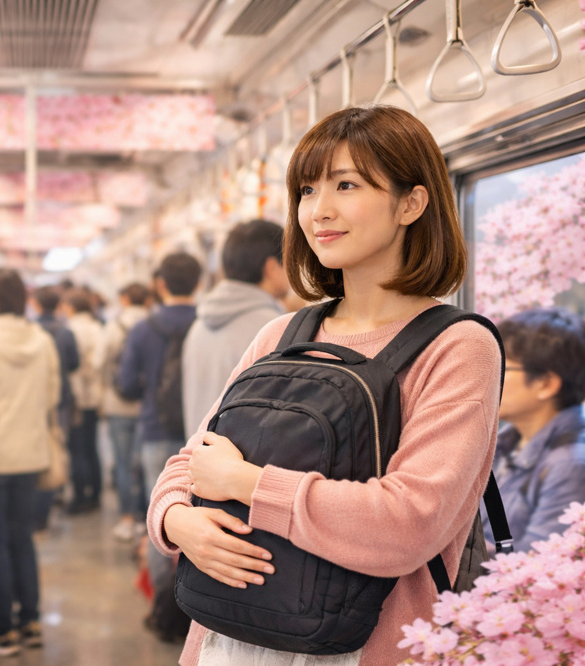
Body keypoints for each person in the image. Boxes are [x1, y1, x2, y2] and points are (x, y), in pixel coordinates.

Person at [148, 105, 502, 665]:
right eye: (307, 191)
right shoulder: (281, 334)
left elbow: (409, 522)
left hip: (368, 646)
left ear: (411, 203)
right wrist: (176, 519)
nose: (320, 210)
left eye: (346, 185)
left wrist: (247, 483)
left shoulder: (457, 346)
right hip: (228, 641)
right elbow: (190, 463)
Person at [0, 267, 61, 656]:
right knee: (22, 538)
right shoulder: (42, 340)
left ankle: (1, 628)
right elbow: (52, 397)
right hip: (30, 454)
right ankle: (31, 622)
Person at [117, 251, 201, 643]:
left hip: (155, 430)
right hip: (203, 434)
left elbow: (126, 384)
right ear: (198, 283)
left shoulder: (143, 328)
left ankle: (162, 610)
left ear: (160, 284)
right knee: (202, 517)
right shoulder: (206, 323)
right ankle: (195, 608)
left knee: (162, 517)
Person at [482, 307, 585, 553]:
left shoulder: (570, 464)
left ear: (545, 384)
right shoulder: (506, 443)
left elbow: (533, 565)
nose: (484, 377)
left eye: (501, 367)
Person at [181, 220, 289, 437]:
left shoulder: (199, 325)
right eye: (290, 261)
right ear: (271, 267)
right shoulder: (274, 328)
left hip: (198, 452)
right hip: (240, 458)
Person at [94, 282, 151, 541]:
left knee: (123, 463)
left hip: (118, 403)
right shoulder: (154, 325)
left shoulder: (113, 327)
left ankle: (126, 518)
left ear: (125, 300)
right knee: (145, 465)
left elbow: (98, 361)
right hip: (149, 405)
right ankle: (145, 519)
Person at [32, 284, 80, 528]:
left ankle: (41, 501)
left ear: (36, 305)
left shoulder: (33, 332)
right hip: (61, 398)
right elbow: (74, 362)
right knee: (58, 446)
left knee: (38, 449)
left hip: (36, 398)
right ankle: (56, 491)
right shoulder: (65, 331)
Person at [61, 287, 105, 514]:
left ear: (71, 307)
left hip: (77, 397)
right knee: (92, 446)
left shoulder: (69, 329)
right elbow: (100, 362)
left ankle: (80, 496)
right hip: (95, 395)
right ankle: (96, 493)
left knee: (76, 448)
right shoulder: (97, 327)